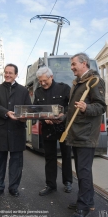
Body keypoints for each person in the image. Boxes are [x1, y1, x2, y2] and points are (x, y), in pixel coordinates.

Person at [65, 53, 106, 217]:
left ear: (84, 63)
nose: (72, 67)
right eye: (72, 64)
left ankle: (84, 207)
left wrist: (86, 108)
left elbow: (101, 106)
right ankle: (85, 201)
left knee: (83, 172)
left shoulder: (95, 81)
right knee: (82, 172)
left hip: (86, 134)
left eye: (74, 64)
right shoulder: (78, 82)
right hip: (77, 132)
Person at [0, 63, 31, 198]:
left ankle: (14, 187)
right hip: (1, 131)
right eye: (5, 72)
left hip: (17, 130)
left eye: (10, 73)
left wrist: (24, 118)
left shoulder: (23, 91)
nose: (7, 75)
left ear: (16, 75)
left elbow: (28, 109)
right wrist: (7, 112)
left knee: (16, 162)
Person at [33, 66, 73, 196]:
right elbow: (36, 110)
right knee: (50, 157)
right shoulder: (38, 92)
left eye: (45, 80)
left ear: (52, 77)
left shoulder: (64, 88)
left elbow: (72, 107)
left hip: (63, 128)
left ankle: (68, 182)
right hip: (48, 128)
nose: (43, 83)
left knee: (66, 155)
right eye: (40, 81)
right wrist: (44, 119)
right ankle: (50, 185)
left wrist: (64, 117)